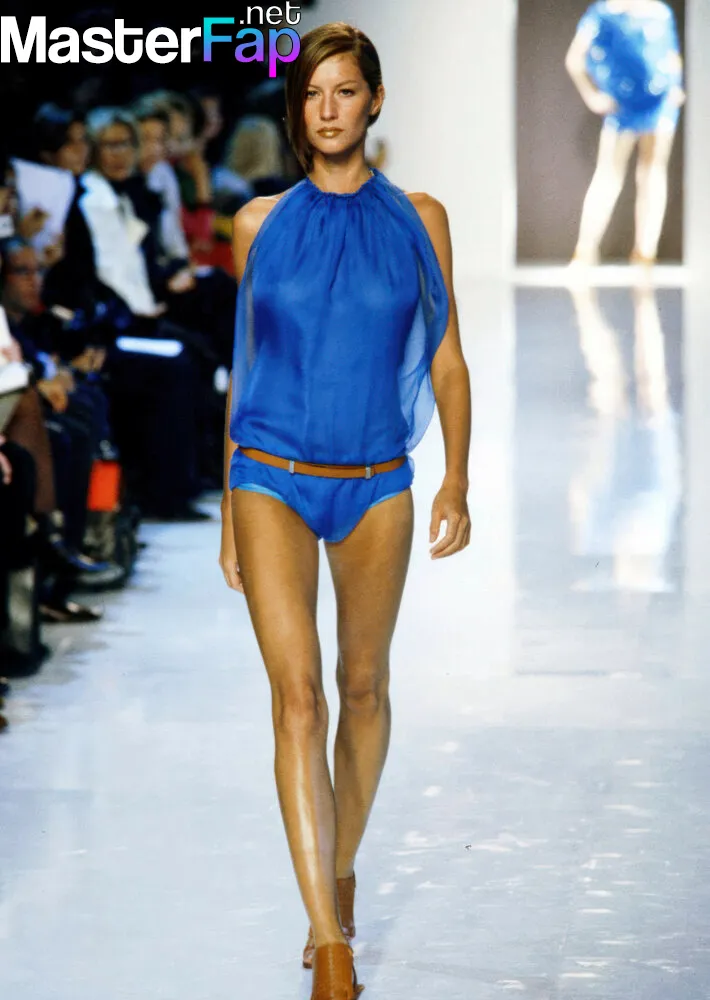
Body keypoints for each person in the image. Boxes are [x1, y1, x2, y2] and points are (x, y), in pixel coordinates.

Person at [218, 21, 471, 1000]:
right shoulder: (256, 224)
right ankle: (329, 941)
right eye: (312, 93)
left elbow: (446, 358)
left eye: (345, 90)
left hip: (376, 479)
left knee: (362, 688)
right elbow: (245, 368)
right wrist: (228, 513)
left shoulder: (420, 217)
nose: (328, 109)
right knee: (298, 698)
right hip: (269, 475)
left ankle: (340, 863)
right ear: (296, 109)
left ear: (373, 100)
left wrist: (455, 479)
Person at [566, 0, 685, 265]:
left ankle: (645, 253)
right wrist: (592, 95)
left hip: (659, 104)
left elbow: (671, 54)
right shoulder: (604, 14)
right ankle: (585, 251)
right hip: (622, 105)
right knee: (608, 175)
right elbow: (575, 59)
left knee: (652, 174)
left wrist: (676, 85)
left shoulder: (660, 13)